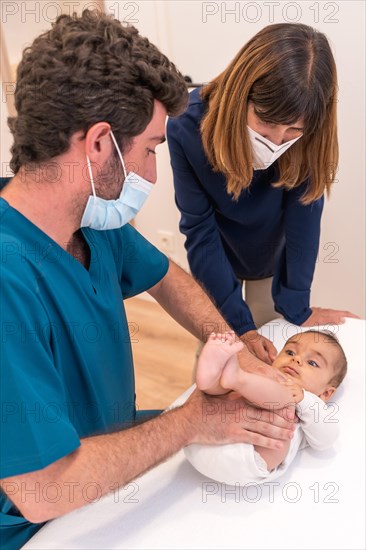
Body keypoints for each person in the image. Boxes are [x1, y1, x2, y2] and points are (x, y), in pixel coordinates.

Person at [0, 10, 296, 550]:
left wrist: (226, 341)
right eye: (152, 149)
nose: (153, 174)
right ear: (98, 144)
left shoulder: (88, 216)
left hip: (113, 447)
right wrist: (191, 422)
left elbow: (166, 280)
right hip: (42, 520)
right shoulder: (8, 278)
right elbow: (43, 490)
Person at [167, 23, 358, 366]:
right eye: (267, 124)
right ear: (242, 95)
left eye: (292, 131)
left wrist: (298, 306)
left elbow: (304, 220)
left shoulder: (310, 135)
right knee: (219, 352)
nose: (277, 141)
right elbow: (199, 229)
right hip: (214, 254)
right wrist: (238, 327)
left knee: (271, 345)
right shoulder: (186, 126)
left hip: (270, 254)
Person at [184, 329, 347, 485]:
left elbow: (327, 439)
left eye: (312, 363)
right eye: (290, 352)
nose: (296, 359)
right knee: (229, 394)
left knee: (283, 399)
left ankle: (230, 379)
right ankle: (211, 382)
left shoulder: (312, 406)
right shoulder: (261, 374)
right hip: (202, 440)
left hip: (250, 459)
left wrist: (305, 400)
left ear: (325, 394)